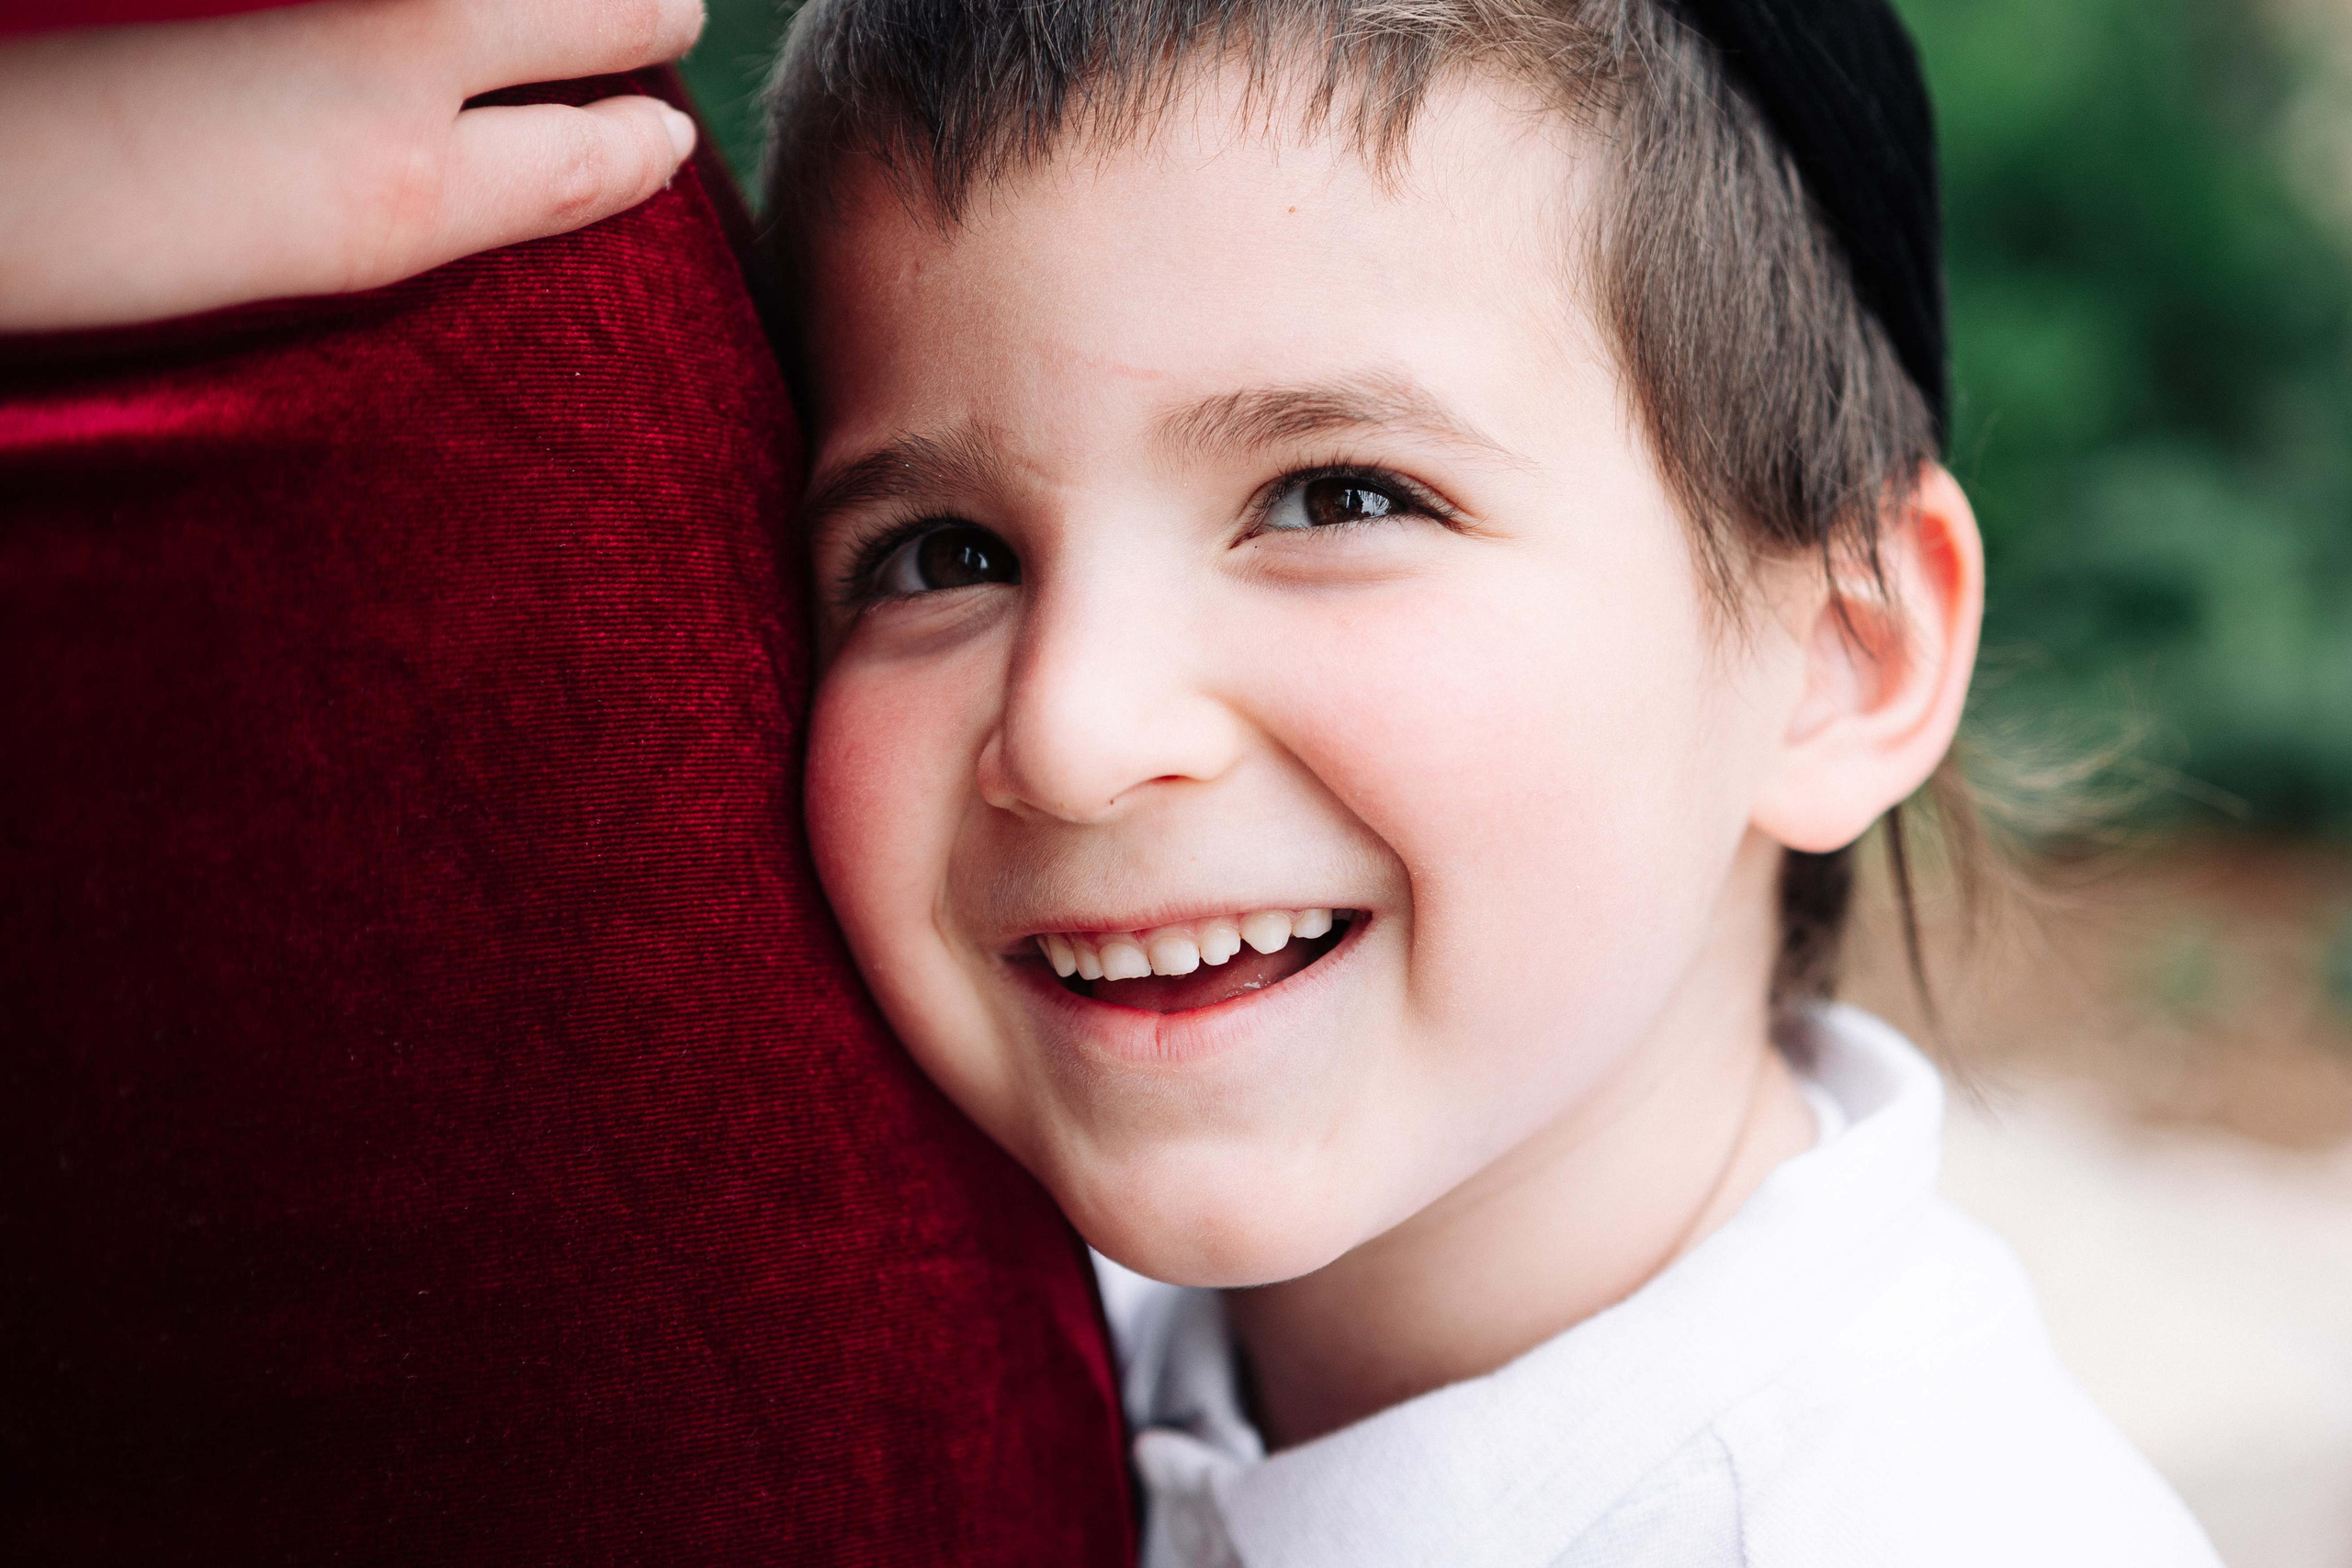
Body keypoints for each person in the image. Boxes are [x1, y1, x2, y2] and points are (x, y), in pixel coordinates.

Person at [759, 0, 2226, 1562]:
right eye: (943, 556)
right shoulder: (936, 1345)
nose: (1074, 732)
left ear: (1840, 660)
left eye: (1336, 496)